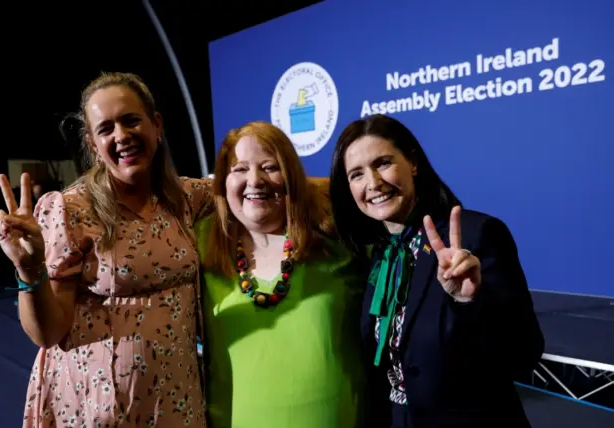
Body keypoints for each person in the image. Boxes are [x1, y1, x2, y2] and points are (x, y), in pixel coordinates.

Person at [0, 72, 213, 427]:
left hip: (178, 404)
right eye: (106, 129)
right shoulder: (70, 210)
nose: (122, 136)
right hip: (99, 408)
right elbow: (48, 333)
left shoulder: (187, 198)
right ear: (93, 144)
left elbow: (251, 188)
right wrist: (28, 267)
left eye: (131, 121)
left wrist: (331, 186)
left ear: (156, 125)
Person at [328, 114, 544, 428]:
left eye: (383, 163)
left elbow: (523, 354)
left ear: (413, 162)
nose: (372, 183)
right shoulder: (376, 256)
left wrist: (469, 302)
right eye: (356, 174)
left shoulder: (476, 234)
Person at [194, 121, 366, 428]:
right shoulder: (198, 245)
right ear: (221, 182)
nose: (255, 180)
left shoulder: (338, 235)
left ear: (291, 177)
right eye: (239, 169)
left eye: (270, 167)